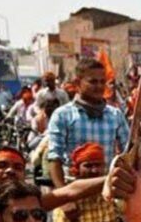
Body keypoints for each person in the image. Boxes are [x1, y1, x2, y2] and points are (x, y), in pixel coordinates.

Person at [47, 58, 130, 189]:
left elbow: (128, 153)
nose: (99, 86)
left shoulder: (115, 115)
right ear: (77, 83)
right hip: (74, 190)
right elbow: (54, 158)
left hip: (106, 191)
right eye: (93, 82)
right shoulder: (63, 115)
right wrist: (63, 197)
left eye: (103, 82)